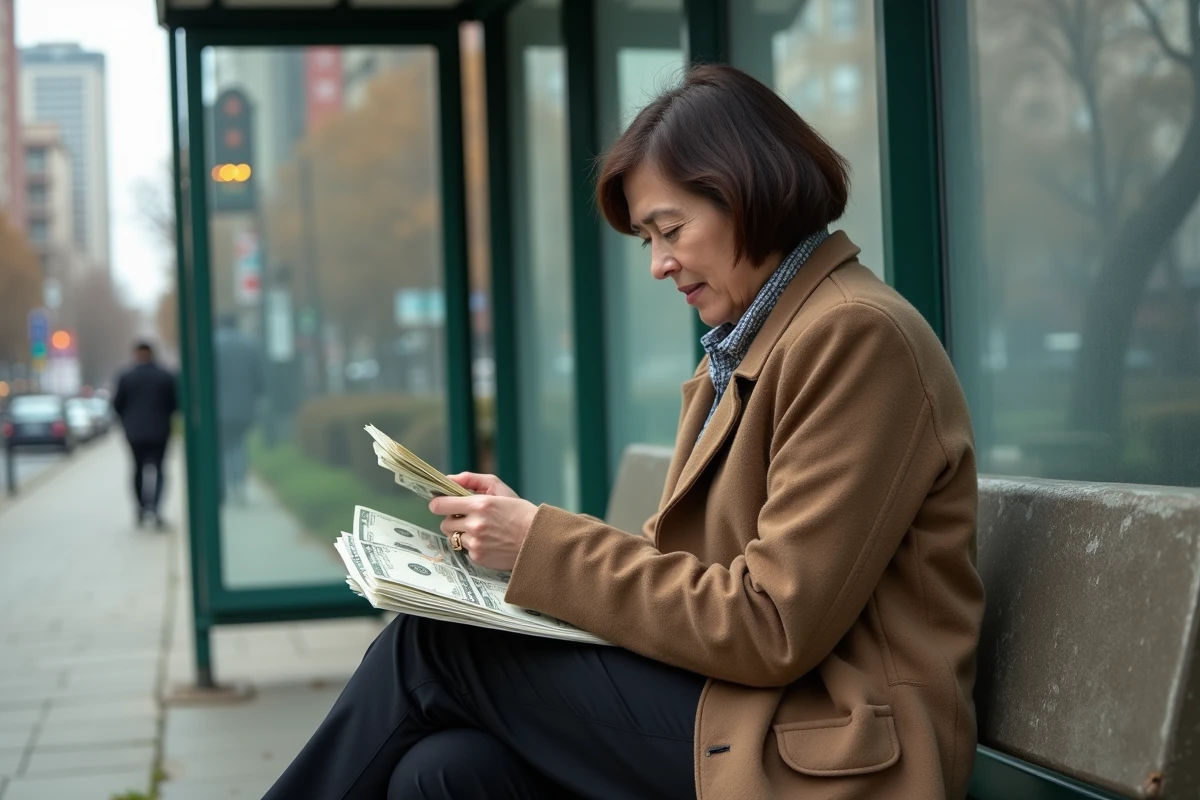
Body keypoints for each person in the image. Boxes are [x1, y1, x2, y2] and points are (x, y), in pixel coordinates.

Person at [264, 64, 984, 800]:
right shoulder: (754, 345)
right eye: (647, 239)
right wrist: (514, 554)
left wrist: (540, 542)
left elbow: (771, 625)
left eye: (669, 231)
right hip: (747, 710)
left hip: (831, 752)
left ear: (750, 196)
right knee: (443, 774)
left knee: (431, 649)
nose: (658, 265)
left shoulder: (855, 337)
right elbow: (691, 579)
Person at [112, 341, 178, 529]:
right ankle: (156, 508)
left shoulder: (126, 377)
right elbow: (174, 404)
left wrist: (129, 421)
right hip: (159, 431)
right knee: (159, 470)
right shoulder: (165, 376)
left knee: (137, 469)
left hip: (135, 433)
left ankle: (141, 508)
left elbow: (117, 405)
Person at [213, 313, 263, 504]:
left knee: (222, 448)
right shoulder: (249, 344)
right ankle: (239, 485)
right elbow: (259, 378)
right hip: (244, 407)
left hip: (218, 409)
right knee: (239, 445)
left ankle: (224, 485)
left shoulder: (213, 344)